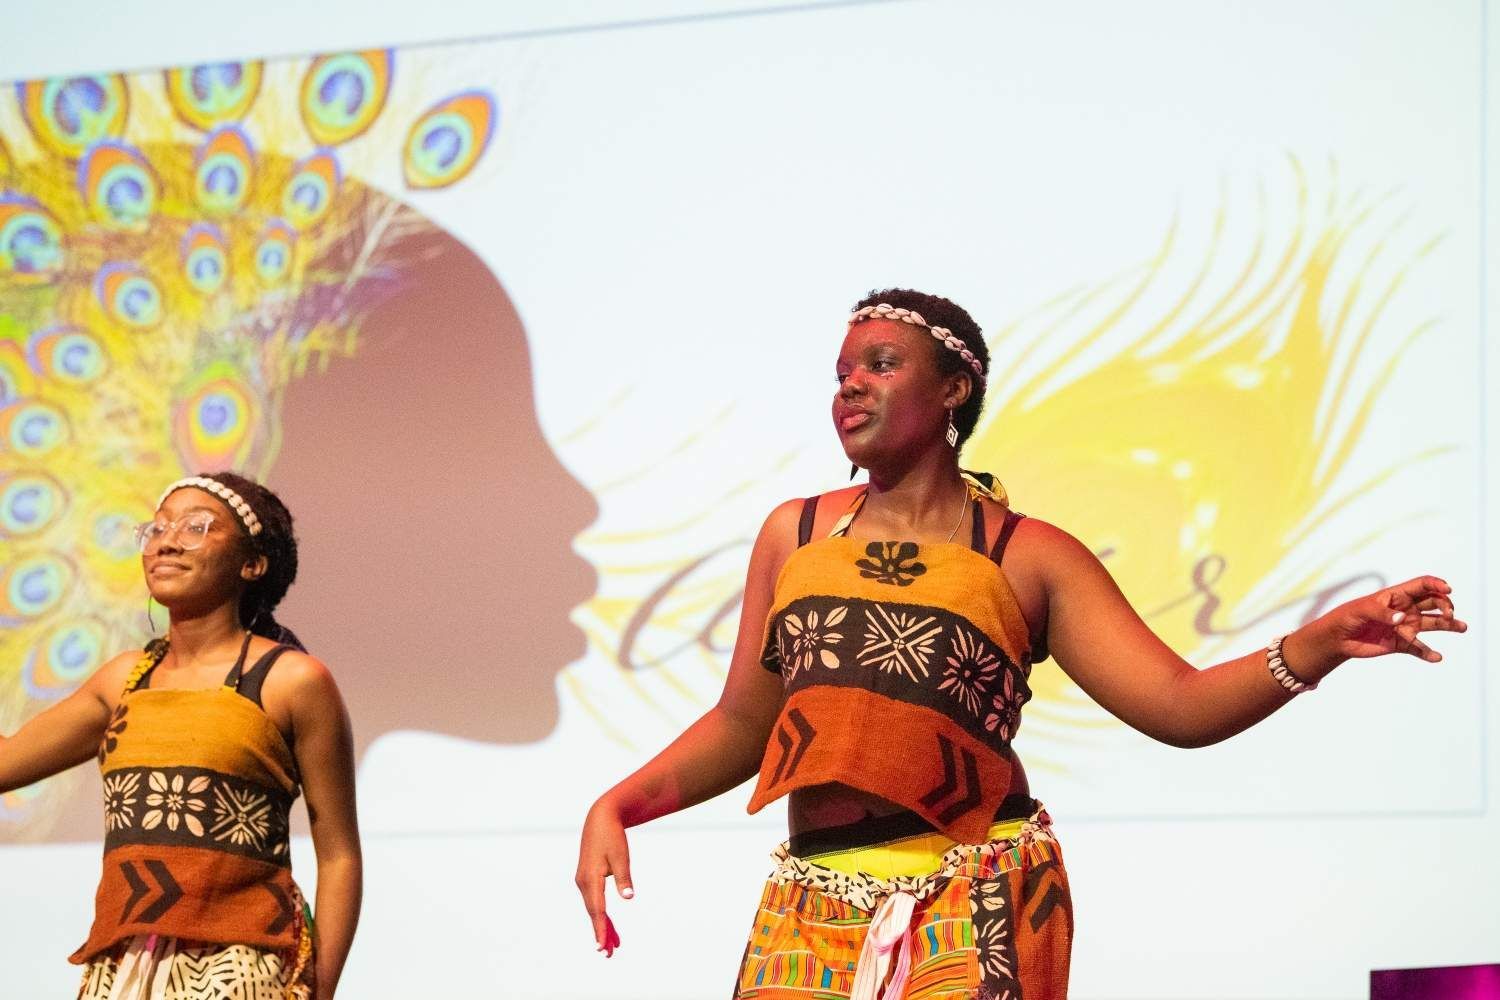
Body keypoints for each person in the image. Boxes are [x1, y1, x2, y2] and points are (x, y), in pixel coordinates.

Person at [575, 288, 1467, 998]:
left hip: (980, 891)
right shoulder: (794, 535)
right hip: (812, 896)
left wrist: (1319, 643)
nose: (850, 386)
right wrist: (620, 803)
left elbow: (1180, 707)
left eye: (880, 365)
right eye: (842, 371)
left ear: (953, 389)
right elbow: (744, 723)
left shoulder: (1028, 554)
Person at [0, 472, 361, 999]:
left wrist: (319, 988)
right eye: (157, 528)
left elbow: (339, 855)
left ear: (252, 563)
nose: (167, 540)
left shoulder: (292, 681)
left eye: (196, 526)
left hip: (239, 968)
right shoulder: (123, 680)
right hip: (122, 967)